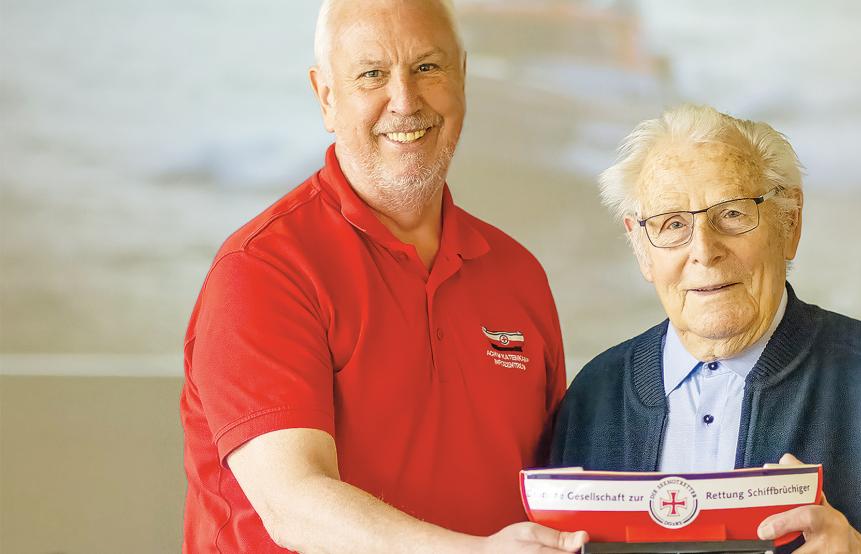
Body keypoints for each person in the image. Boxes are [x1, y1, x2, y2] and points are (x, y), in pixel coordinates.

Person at [179, 0, 588, 551]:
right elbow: (292, 503)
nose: (405, 100)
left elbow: (554, 491)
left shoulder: (517, 273)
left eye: (428, 67)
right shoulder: (263, 269)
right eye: (372, 74)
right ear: (326, 96)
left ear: (462, 77)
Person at [550, 105, 861, 553]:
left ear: (790, 222)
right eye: (673, 224)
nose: (704, 250)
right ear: (641, 249)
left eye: (732, 214)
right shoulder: (594, 396)